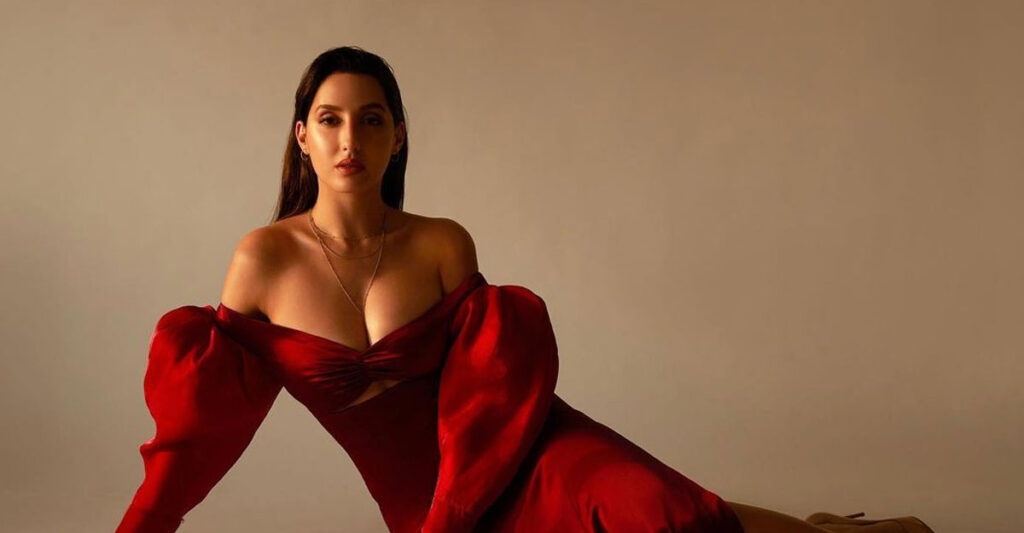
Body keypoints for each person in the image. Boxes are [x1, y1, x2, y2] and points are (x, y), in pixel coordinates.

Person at [115, 46, 933, 533]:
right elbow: (199, 429)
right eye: (330, 118)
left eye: (371, 118)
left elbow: (494, 396)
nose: (349, 137)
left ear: (399, 135)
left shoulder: (441, 243)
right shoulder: (263, 260)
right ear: (302, 136)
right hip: (423, 505)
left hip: (523, 454)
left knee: (665, 516)